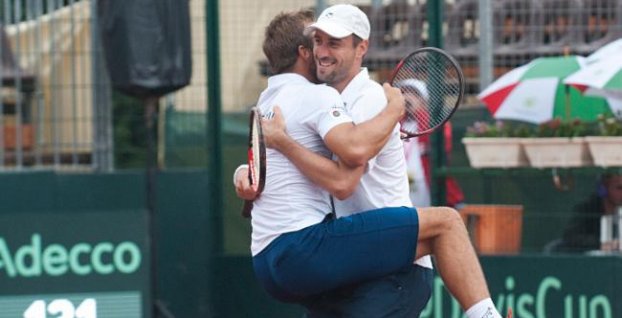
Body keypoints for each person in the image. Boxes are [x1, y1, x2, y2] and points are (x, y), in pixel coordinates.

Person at [236, 6, 508, 318]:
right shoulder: (320, 98)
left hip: (390, 272)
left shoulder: (368, 98)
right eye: (318, 42)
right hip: (346, 260)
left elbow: (345, 174)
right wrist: (246, 171)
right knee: (446, 222)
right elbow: (332, 169)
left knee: (447, 222)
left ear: (361, 48)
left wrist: (393, 109)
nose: (322, 52)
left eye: (334, 43)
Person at [397, 79, 465, 209]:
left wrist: (419, 112)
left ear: (423, 100)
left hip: (426, 184)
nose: (407, 97)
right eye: (403, 93)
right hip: (399, 184)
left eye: (414, 94)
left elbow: (443, 147)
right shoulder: (395, 123)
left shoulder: (434, 122)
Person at [558, 173, 622, 253]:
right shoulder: (586, 209)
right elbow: (572, 237)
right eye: (619, 188)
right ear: (603, 189)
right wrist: (601, 243)